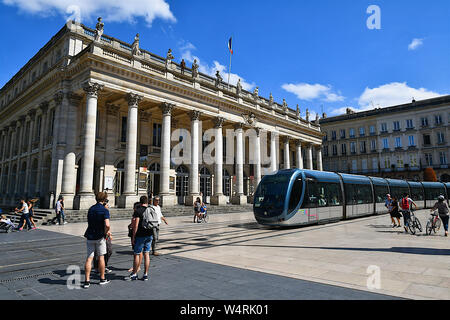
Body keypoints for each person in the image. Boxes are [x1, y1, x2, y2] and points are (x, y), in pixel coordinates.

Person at [82, 192, 111, 288]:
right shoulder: (104, 210)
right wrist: (106, 232)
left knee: (89, 258)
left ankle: (87, 281)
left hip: (90, 235)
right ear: (104, 199)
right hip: (100, 236)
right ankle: (102, 278)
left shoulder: (91, 209)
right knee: (101, 257)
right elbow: (107, 225)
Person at [125, 196, 154, 281]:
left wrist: (133, 236)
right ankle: (145, 274)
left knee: (137, 254)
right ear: (147, 202)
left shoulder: (138, 211)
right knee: (147, 254)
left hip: (140, 235)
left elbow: (136, 225)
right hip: (150, 234)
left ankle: (134, 274)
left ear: (140, 202)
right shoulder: (151, 210)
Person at [94, 199, 112, 274]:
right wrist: (106, 232)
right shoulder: (101, 213)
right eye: (107, 205)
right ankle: (98, 267)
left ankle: (103, 266)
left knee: (108, 251)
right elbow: (106, 225)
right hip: (102, 235)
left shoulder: (105, 213)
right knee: (100, 252)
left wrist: (109, 233)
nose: (108, 206)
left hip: (105, 234)